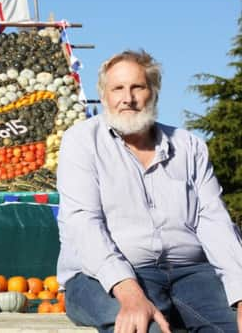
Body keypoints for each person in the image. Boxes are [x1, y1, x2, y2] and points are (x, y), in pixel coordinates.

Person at [56, 50, 242, 333]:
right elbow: (84, 224)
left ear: (153, 92)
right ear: (104, 95)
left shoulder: (189, 146)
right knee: (144, 328)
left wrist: (240, 294)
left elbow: (214, 222)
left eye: (137, 87)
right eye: (117, 88)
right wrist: (129, 293)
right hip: (102, 275)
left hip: (191, 274)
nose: (127, 98)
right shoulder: (81, 142)